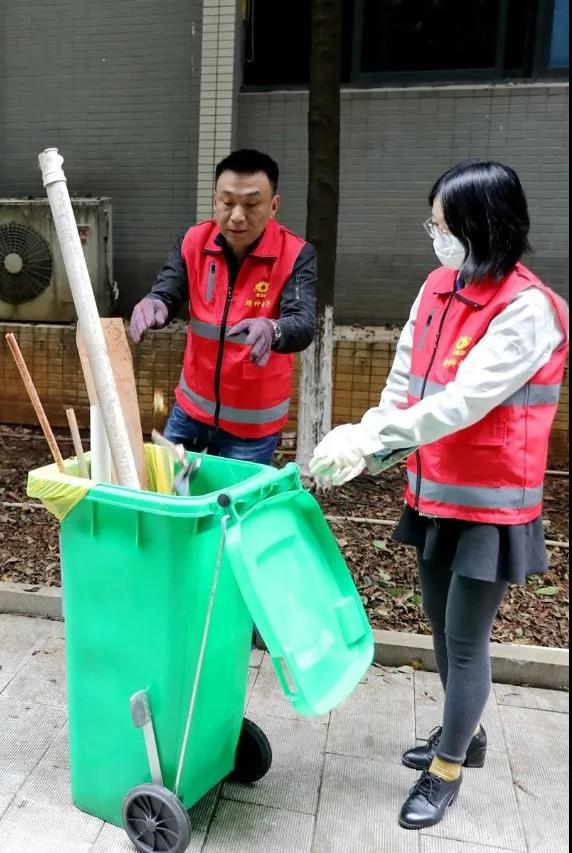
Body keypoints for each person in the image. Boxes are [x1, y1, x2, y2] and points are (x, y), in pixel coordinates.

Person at [310, 161, 569, 831]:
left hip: (490, 505)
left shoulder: (527, 309)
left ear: (487, 226)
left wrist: (372, 439)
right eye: (433, 226)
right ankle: (466, 732)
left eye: (445, 227)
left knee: (466, 637)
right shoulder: (437, 286)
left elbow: (461, 402)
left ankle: (448, 767)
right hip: (433, 491)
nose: (437, 239)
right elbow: (405, 378)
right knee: (436, 617)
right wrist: (370, 438)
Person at [130, 149, 317, 465]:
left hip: (251, 428)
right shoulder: (193, 241)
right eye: (227, 203)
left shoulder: (295, 254)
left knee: (231, 498)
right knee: (168, 487)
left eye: (252, 204)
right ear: (215, 201)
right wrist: (155, 302)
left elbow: (302, 323)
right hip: (191, 411)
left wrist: (273, 329)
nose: (237, 216)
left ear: (274, 205)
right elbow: (168, 290)